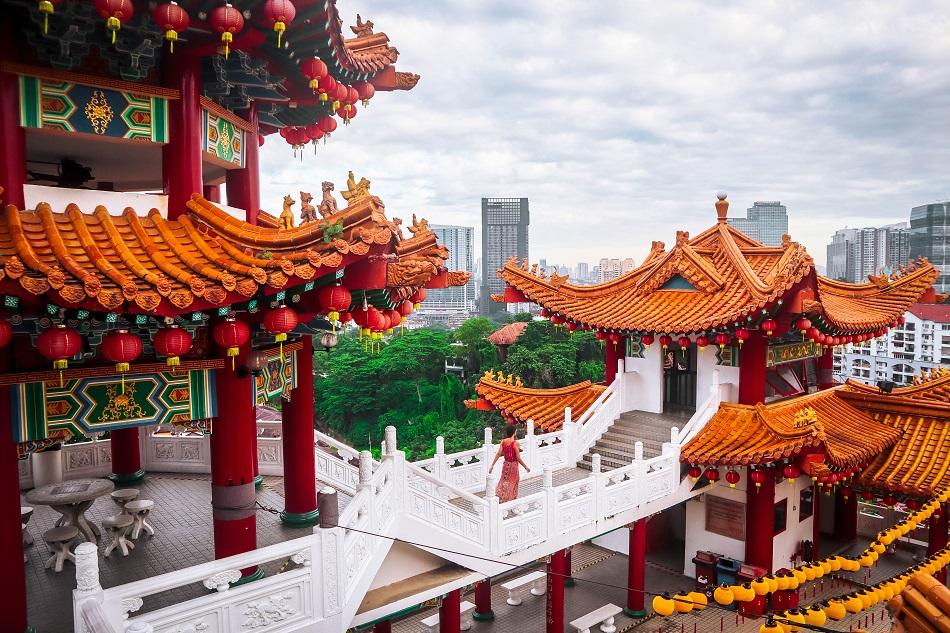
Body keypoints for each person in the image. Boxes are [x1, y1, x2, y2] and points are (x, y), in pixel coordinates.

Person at [489, 424, 530, 502]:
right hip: (513, 465)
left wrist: (492, 465)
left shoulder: (503, 442)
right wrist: (526, 467)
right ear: (514, 432)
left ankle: (501, 496)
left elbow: (498, 454)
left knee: (504, 480)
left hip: (506, 464)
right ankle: (511, 499)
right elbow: (518, 458)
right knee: (514, 481)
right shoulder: (515, 443)